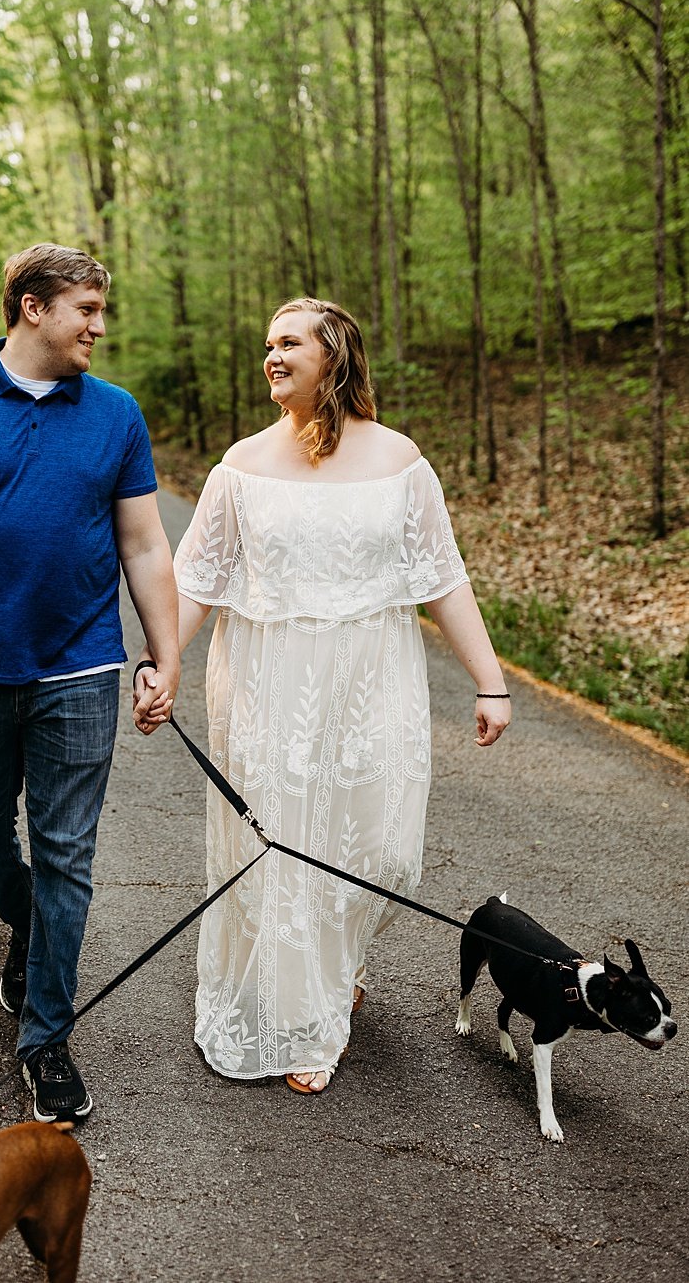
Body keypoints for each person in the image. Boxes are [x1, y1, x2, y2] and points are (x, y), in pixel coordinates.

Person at [135, 297, 509, 1094]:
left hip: (376, 676)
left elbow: (442, 577)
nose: (271, 355)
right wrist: (163, 666)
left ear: (335, 355)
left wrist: (491, 682)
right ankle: (309, 1018)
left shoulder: (400, 459)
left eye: (289, 342)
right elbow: (192, 582)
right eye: (267, 343)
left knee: (384, 851)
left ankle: (339, 963)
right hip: (269, 680)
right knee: (284, 843)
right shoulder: (241, 465)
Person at [0, 242, 180, 1123]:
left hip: (81, 671)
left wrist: (165, 656)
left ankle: (46, 1038)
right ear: (31, 307)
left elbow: (144, 543)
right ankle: (31, 929)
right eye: (86, 309)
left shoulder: (117, 413)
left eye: (100, 311)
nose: (98, 326)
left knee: (67, 856)